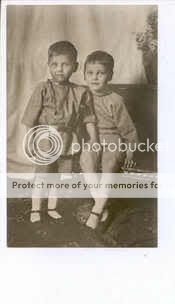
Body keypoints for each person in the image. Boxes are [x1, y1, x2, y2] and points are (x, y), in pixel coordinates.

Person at [22, 41, 97, 223]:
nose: (59, 69)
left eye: (65, 65)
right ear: (49, 65)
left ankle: (52, 207)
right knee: (42, 175)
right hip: (46, 139)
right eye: (54, 64)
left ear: (75, 67)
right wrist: (30, 142)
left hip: (67, 140)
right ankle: (35, 209)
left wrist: (94, 139)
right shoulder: (43, 88)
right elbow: (30, 119)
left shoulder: (80, 92)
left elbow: (88, 119)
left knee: (56, 178)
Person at [79, 50, 138, 229]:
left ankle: (96, 212)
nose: (95, 77)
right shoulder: (82, 96)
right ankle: (102, 204)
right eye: (90, 73)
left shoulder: (116, 100)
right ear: (84, 75)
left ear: (110, 76)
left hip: (113, 138)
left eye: (100, 73)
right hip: (92, 138)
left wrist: (130, 153)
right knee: (86, 160)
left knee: (110, 163)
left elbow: (128, 129)